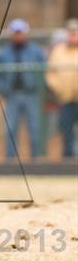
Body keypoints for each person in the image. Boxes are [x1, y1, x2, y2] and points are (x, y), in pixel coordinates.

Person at [0, 19, 46, 159]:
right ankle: (10, 162)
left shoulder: (36, 51)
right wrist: (4, 89)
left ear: (26, 33)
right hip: (12, 95)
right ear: (12, 34)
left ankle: (36, 159)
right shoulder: (4, 53)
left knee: (34, 128)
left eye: (21, 32)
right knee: (11, 129)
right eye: (16, 33)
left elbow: (45, 71)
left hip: (31, 95)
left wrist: (38, 88)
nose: (18, 35)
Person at [46, 18, 78, 158]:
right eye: (71, 33)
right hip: (64, 98)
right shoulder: (58, 51)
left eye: (76, 33)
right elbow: (50, 72)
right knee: (66, 131)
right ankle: (68, 161)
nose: (74, 36)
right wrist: (58, 88)